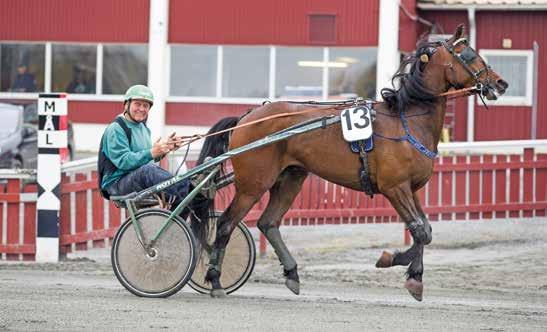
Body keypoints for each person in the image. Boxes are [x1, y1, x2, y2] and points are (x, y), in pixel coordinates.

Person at [98, 84, 189, 206]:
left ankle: (181, 213)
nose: (141, 109)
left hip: (135, 178)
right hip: (116, 184)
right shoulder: (116, 128)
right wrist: (152, 152)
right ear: (126, 105)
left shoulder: (143, 128)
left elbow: (144, 158)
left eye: (145, 105)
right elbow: (125, 161)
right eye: (137, 104)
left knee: (189, 196)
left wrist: (165, 149)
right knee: (149, 171)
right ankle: (186, 188)